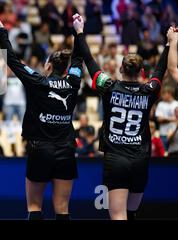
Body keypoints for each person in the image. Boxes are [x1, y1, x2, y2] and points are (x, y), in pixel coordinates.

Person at [72, 13, 170, 220]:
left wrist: (80, 31)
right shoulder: (149, 90)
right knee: (132, 213)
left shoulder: (108, 86)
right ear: (142, 72)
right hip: (140, 159)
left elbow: (89, 60)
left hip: (115, 159)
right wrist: (169, 45)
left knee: (118, 216)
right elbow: (161, 70)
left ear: (120, 69)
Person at [0, 15, 83, 220]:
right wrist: (78, 31)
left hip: (40, 150)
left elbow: (12, 61)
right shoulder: (73, 81)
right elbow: (78, 59)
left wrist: (1, 30)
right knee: (62, 209)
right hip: (65, 150)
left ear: (48, 65)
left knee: (34, 207)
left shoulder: (38, 81)